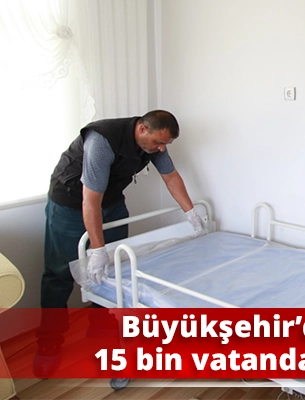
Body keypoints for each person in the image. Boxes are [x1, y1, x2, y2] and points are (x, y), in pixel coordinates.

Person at [34, 110, 206, 376]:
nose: (162, 149)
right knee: (59, 274)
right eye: (159, 142)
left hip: (111, 202)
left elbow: (171, 177)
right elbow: (90, 200)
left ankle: (100, 324)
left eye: (165, 144)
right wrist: (97, 249)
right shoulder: (101, 142)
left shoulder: (154, 144)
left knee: (114, 269)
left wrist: (190, 212)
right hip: (71, 202)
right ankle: (49, 342)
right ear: (142, 130)